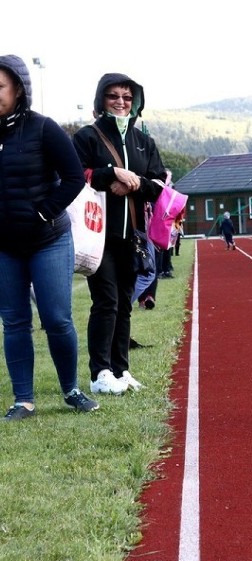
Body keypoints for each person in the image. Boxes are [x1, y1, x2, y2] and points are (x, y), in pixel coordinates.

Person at [0, 55, 99, 419]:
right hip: (5, 248)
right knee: (14, 321)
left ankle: (71, 390)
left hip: (48, 241)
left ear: (19, 89)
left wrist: (44, 211)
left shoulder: (44, 129)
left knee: (56, 318)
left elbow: (75, 178)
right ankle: (23, 399)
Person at [73, 72, 166, 395]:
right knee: (106, 301)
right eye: (114, 96)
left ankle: (120, 369)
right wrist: (110, 173)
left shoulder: (145, 142)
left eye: (127, 97)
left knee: (124, 303)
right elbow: (75, 176)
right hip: (98, 235)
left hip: (134, 237)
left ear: (135, 102)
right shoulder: (87, 137)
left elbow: (159, 186)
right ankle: (99, 373)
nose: (121, 102)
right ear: (101, 100)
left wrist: (135, 183)